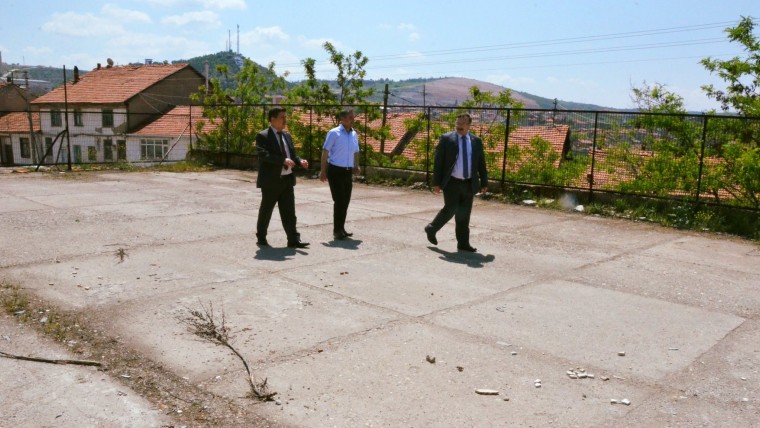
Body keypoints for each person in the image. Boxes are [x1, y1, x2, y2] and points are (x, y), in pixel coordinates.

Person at [424, 113, 488, 252]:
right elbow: (438, 162)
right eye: (457, 123)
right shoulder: (447, 139)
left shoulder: (476, 141)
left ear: (469, 125)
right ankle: (432, 228)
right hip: (452, 182)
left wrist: (484, 182)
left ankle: (463, 243)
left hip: (469, 183)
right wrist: (436, 183)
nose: (459, 126)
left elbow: (481, 163)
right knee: (450, 209)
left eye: (462, 124)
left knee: (464, 214)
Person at [255, 107, 310, 248]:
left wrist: (299, 161)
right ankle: (261, 237)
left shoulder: (287, 136)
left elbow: (291, 155)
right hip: (271, 181)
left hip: (287, 180)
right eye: (282, 117)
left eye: (286, 117)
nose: (285, 120)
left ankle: (293, 239)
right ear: (273, 119)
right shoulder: (263, 136)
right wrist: (282, 161)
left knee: (289, 212)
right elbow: (264, 155)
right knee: (266, 211)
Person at [320, 110, 361, 240]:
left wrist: (356, 165)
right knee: (339, 201)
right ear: (342, 119)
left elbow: (356, 151)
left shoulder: (354, 134)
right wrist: (323, 170)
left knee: (346, 201)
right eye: (349, 117)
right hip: (335, 170)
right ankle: (337, 230)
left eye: (352, 117)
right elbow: (325, 151)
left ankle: (342, 228)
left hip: (347, 171)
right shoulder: (334, 133)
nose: (352, 119)